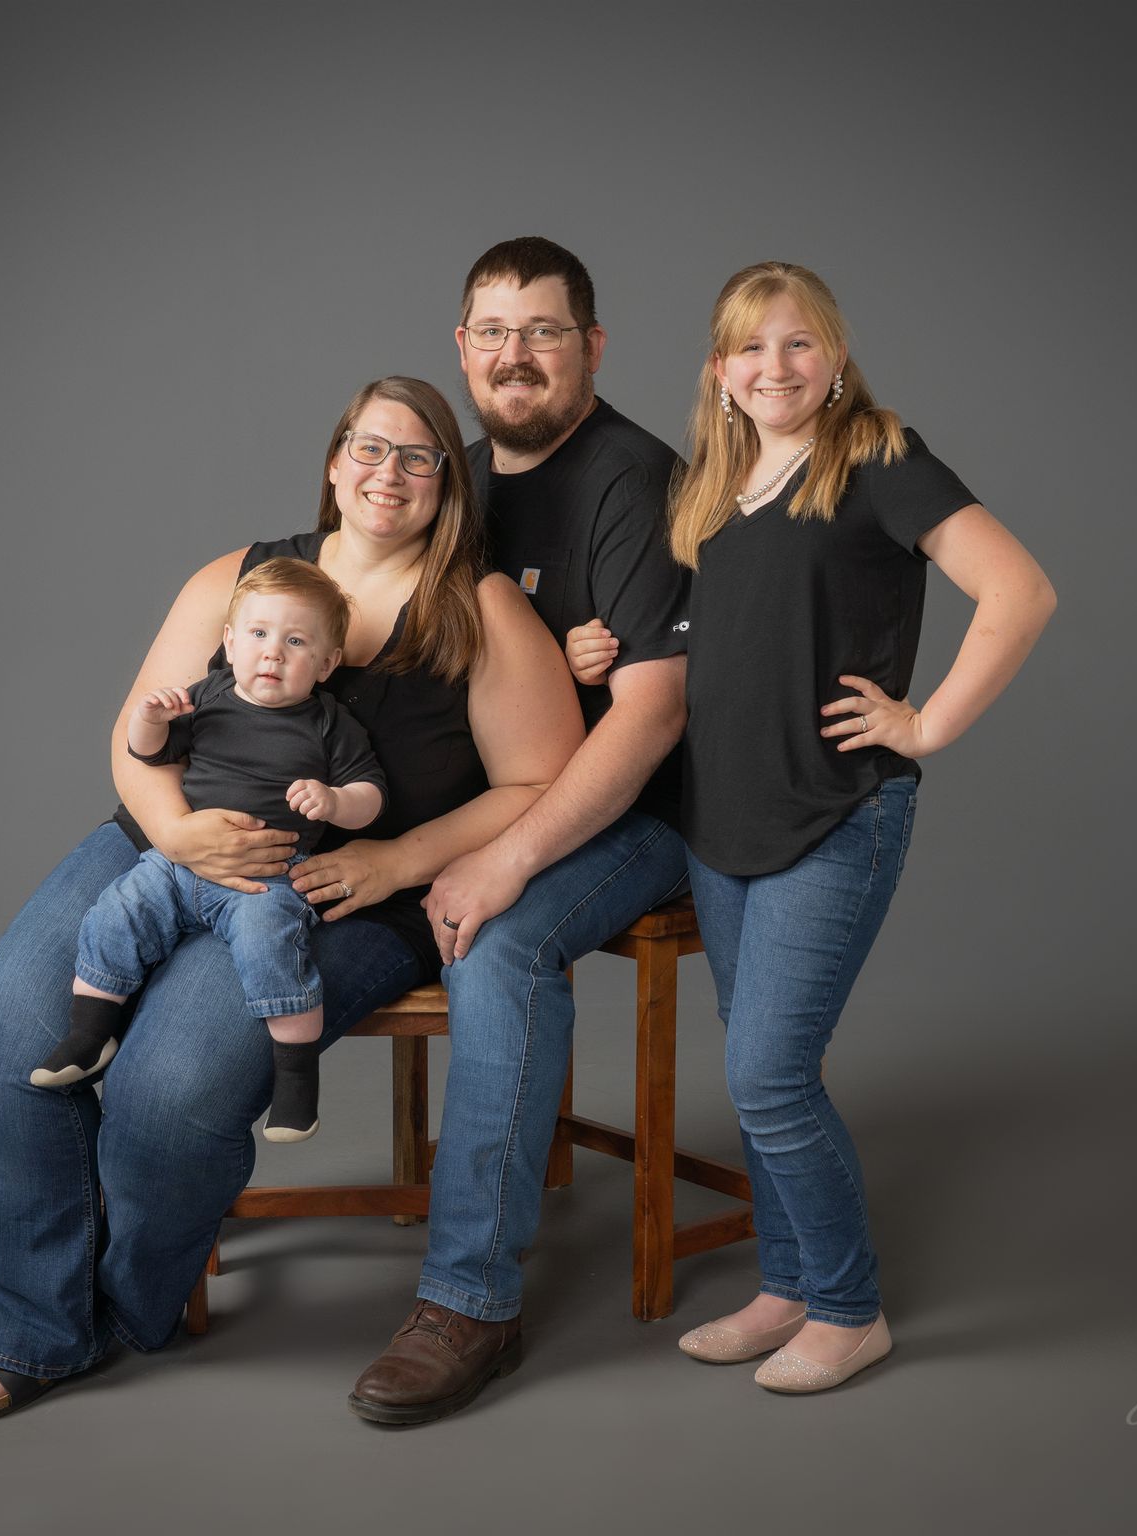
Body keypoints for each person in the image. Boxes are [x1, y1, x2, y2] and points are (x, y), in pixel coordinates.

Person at [0, 376, 583, 1422]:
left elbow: (541, 780)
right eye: (369, 447)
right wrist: (173, 832)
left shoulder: (479, 608)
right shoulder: (237, 577)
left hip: (342, 890)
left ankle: (122, 1309)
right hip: (162, 847)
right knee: (15, 1020)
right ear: (335, 461)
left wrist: (398, 859)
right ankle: (29, 1329)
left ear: (448, 483)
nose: (389, 473)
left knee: (173, 1083)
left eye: (419, 457)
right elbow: (138, 732)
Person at [651, 260, 1055, 1393]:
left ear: (835, 357)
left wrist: (926, 724)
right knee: (755, 1069)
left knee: (770, 1075)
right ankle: (784, 1286)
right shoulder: (714, 482)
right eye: (750, 347)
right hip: (721, 822)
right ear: (719, 370)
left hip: (835, 813)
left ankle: (848, 1307)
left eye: (798, 343)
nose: (774, 367)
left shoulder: (879, 457)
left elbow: (1020, 591)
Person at [345, 238, 692, 1426]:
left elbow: (652, 717)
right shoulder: (456, 480)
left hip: (642, 811)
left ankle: (471, 1301)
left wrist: (502, 856)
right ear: (462, 348)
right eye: (493, 332)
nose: (515, 356)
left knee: (499, 942)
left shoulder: (632, 481)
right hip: (505, 795)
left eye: (543, 331)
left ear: (591, 346)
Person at [29, 557, 388, 1145]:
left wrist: (335, 801)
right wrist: (148, 720)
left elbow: (371, 795)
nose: (272, 653)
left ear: (327, 664)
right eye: (258, 633)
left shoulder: (330, 724)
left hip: (269, 874)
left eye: (296, 642)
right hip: (179, 864)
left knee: (273, 945)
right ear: (229, 642)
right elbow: (151, 754)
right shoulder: (211, 695)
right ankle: (89, 1034)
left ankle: (296, 1084)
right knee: (117, 911)